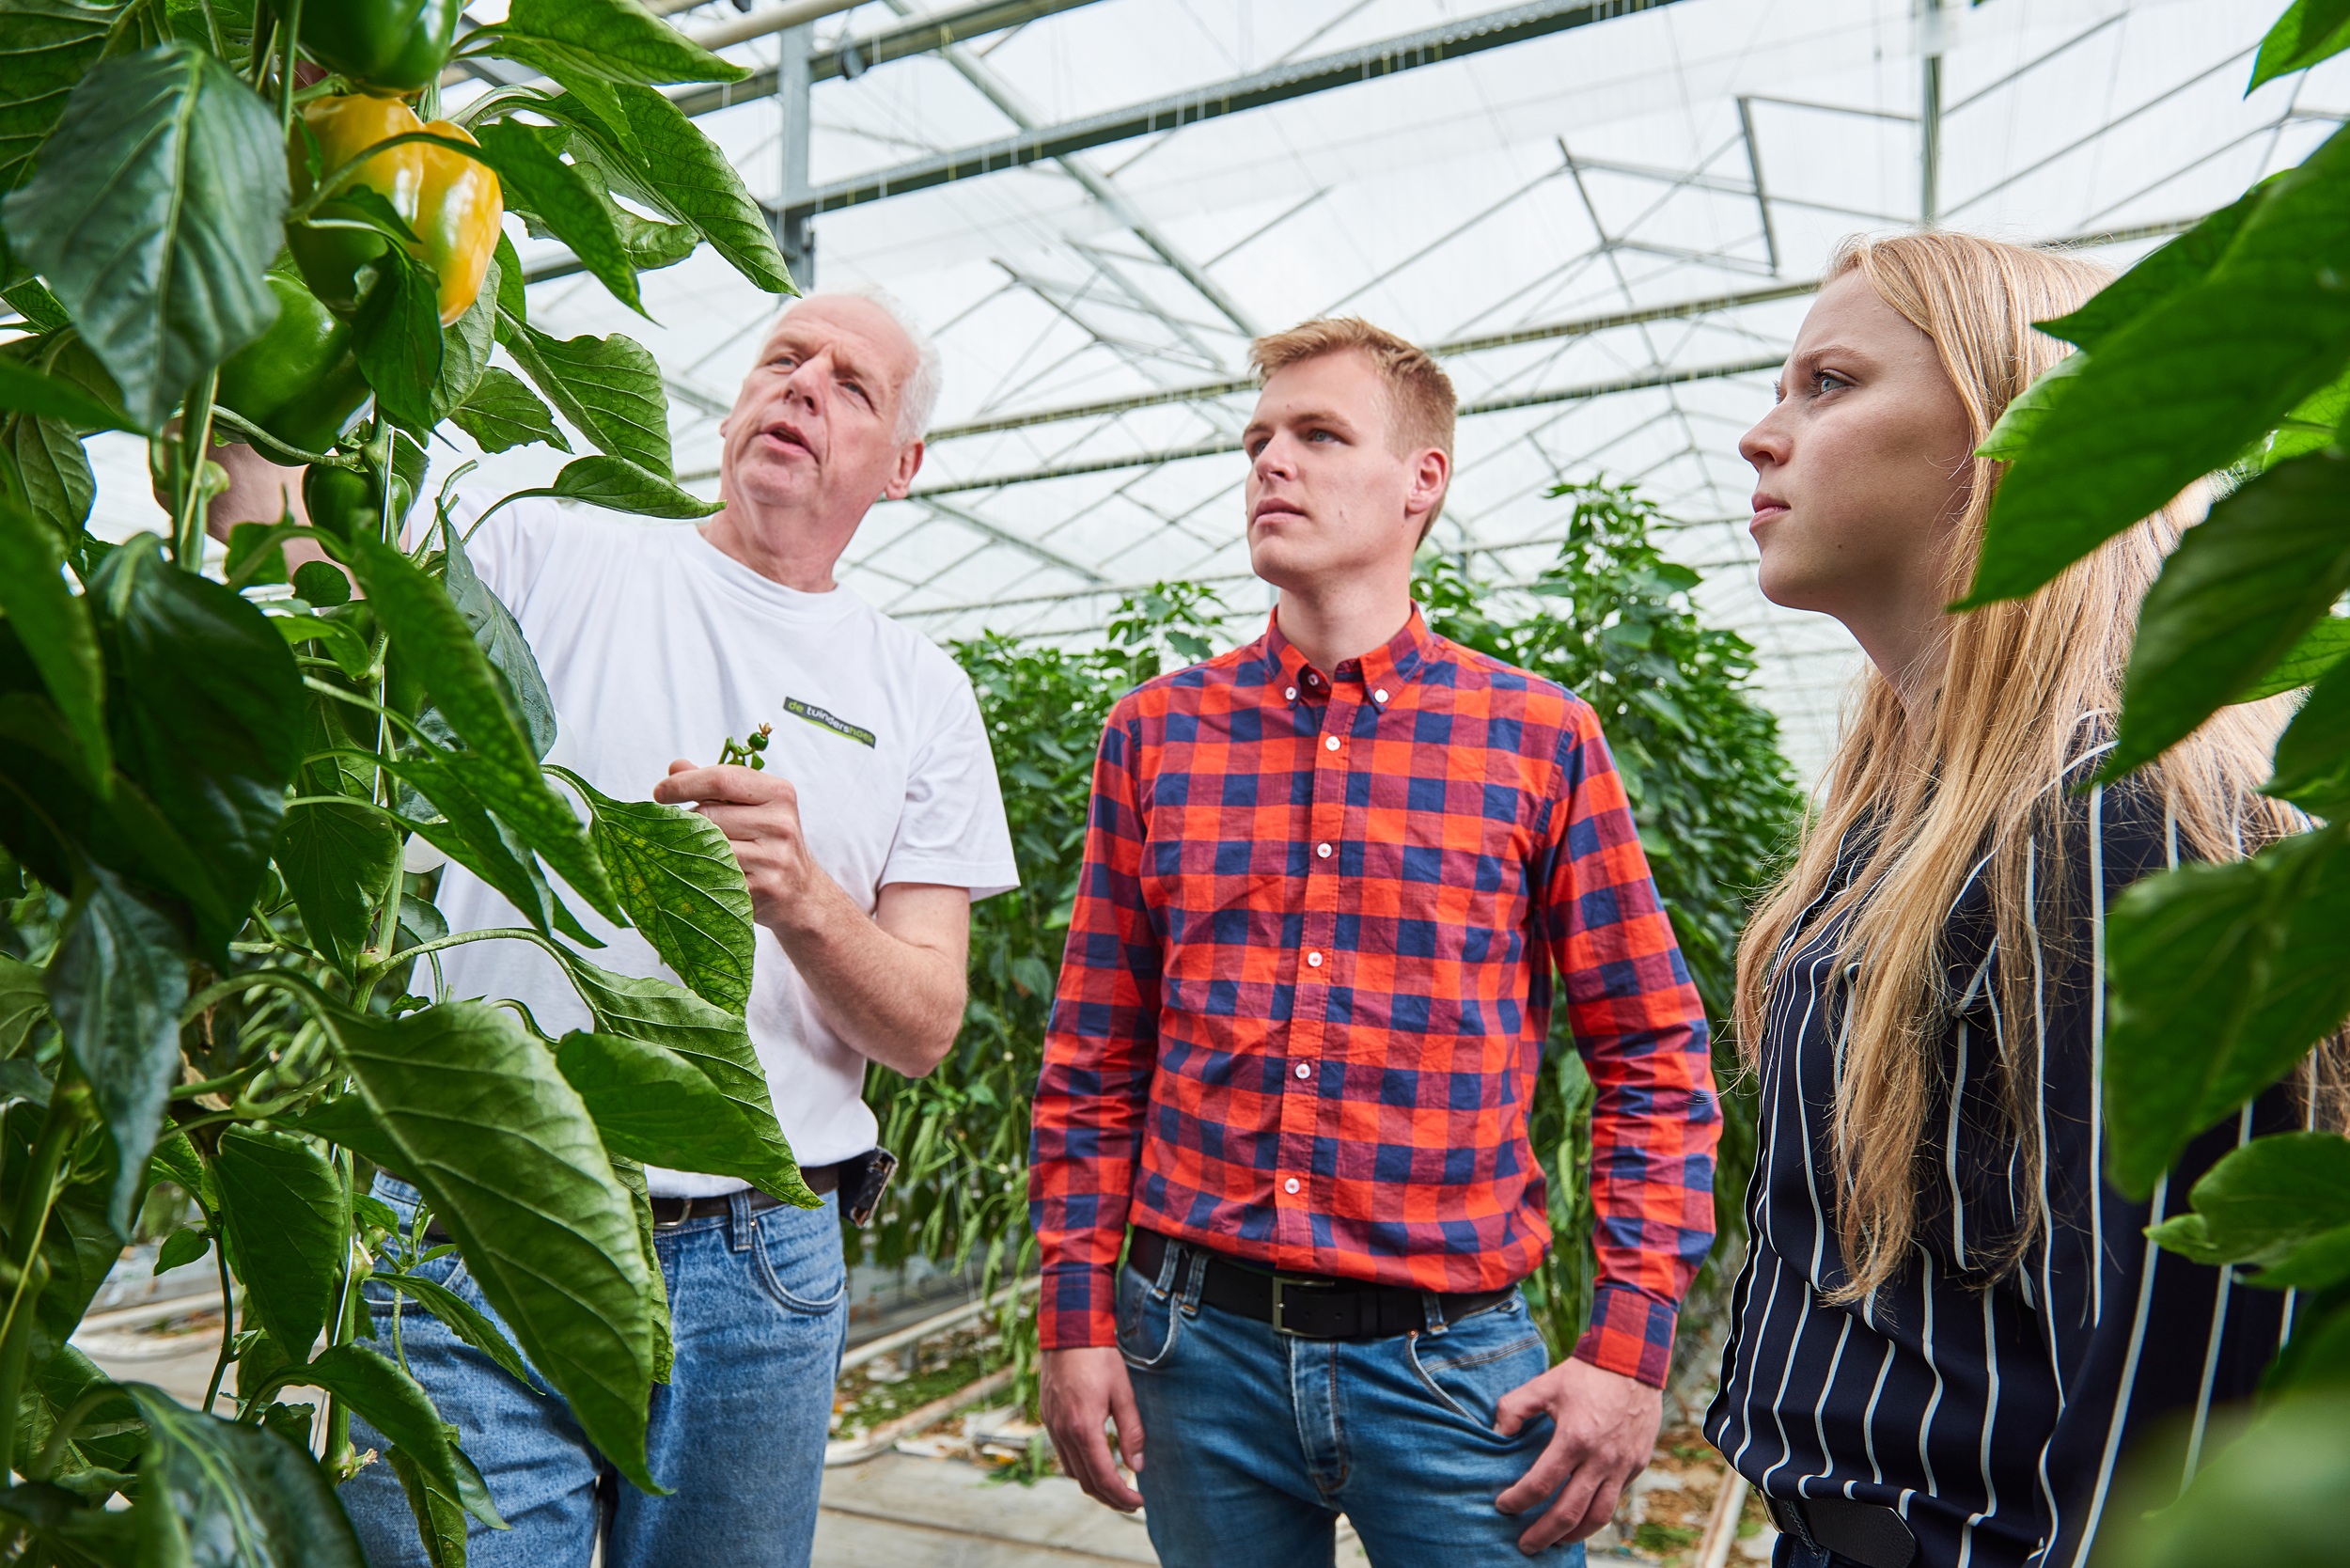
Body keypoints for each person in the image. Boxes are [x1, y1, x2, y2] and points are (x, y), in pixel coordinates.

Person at [206, 290, 1019, 1567]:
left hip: (758, 1268)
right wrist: (245, 351)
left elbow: (923, 1025)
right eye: (782, 359)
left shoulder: (918, 690)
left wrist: (803, 899)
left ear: (904, 468)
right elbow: (307, 569)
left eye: (851, 385)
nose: (802, 387)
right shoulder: (551, 551)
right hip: (487, 1210)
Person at [1028, 317, 1721, 1566]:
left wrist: (1627, 1350)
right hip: (1195, 1348)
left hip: (1455, 1365)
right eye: (1257, 441)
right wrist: (1075, 1313)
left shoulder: (1538, 738)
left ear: (1422, 482)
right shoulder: (1156, 734)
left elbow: (1652, 1048)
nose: (1269, 465)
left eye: (1317, 434)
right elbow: (1094, 1051)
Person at [1705, 232, 2324, 1568]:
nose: (1763, 435)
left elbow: (2191, 1423)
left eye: (1827, 383)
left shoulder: (2127, 827)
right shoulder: (1907, 823)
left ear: (2005, 434)